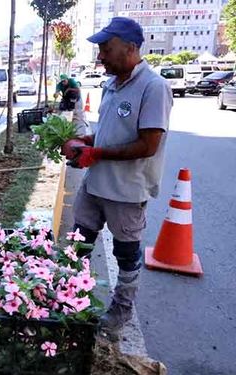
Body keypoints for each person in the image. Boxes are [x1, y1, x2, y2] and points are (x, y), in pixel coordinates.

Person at [60, 17, 173, 342]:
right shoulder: (111, 84)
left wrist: (97, 154)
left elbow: (148, 145)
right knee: (77, 245)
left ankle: (121, 311)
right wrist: (85, 143)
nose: (101, 57)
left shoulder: (154, 87)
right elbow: (108, 134)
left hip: (126, 191)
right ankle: (70, 299)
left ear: (131, 48)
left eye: (106, 50)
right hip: (95, 185)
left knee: (126, 255)